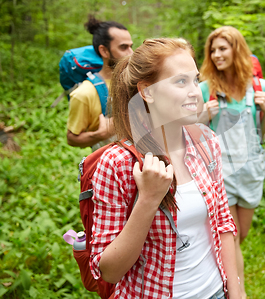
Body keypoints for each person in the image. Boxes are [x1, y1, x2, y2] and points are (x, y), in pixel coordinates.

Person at [89, 38, 240, 299]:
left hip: (216, 291)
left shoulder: (206, 142)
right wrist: (147, 200)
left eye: (195, 80)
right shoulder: (117, 163)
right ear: (147, 91)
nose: (195, 91)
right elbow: (109, 271)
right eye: (181, 82)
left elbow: (224, 224)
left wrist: (237, 293)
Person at [199, 26, 265, 298]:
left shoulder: (259, 87)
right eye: (213, 50)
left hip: (252, 169)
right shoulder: (206, 89)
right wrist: (203, 116)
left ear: (236, 49)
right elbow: (195, 135)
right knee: (230, 237)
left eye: (222, 48)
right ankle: (236, 292)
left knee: (239, 236)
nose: (217, 55)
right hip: (221, 170)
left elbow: (264, 134)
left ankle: (219, 271)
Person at [66, 15, 133, 150]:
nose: (131, 53)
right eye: (123, 47)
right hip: (109, 168)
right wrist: (100, 135)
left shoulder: (136, 82)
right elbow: (72, 139)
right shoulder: (84, 94)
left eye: (131, 46)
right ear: (104, 50)